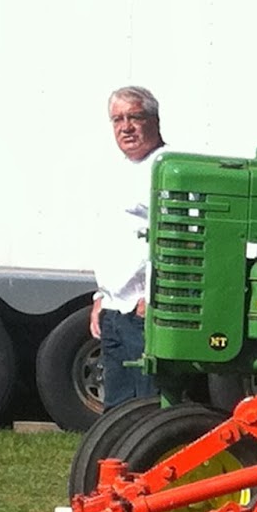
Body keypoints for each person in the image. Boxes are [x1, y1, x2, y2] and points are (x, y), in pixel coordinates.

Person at [90, 86, 165, 409]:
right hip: (113, 309)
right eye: (117, 119)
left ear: (154, 120)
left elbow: (181, 236)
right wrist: (101, 297)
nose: (126, 127)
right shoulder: (117, 170)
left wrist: (153, 294)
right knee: (117, 408)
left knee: (147, 406)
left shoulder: (165, 167)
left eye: (134, 117)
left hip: (143, 309)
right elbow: (111, 237)